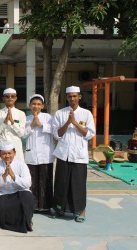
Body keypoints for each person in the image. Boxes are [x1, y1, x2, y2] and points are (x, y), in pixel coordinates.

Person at [51, 86, 95, 223]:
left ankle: (80, 211)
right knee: (61, 183)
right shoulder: (60, 113)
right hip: (64, 154)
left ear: (80, 97)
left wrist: (75, 123)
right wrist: (68, 122)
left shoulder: (86, 114)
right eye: (69, 96)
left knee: (78, 184)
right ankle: (60, 208)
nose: (72, 98)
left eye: (75, 96)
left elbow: (90, 134)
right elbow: (56, 134)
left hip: (79, 156)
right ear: (66, 98)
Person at [0, 142, 35, 233]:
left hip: (19, 193)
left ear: (14, 153)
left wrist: (13, 175)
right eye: (4, 153)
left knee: (28, 198)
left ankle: (26, 221)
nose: (7, 156)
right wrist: (4, 176)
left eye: (9, 153)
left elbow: (28, 183)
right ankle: (22, 222)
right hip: (3, 194)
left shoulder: (21, 165)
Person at [22, 94, 54, 212]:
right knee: (33, 181)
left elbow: (55, 131)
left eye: (38, 104)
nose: (36, 106)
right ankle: (34, 205)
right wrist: (32, 124)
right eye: (33, 104)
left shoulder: (48, 117)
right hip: (31, 154)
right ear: (30, 105)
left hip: (45, 154)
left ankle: (46, 206)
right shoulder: (26, 118)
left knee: (45, 181)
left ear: (42, 106)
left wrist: (41, 125)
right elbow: (23, 135)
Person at [0, 88, 26, 162]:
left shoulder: (21, 114)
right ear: (3, 98)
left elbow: (21, 134)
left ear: (16, 98)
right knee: (0, 169)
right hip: (2, 144)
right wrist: (5, 122)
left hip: (15, 145)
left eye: (12, 96)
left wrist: (12, 122)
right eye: (7, 96)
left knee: (17, 170)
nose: (10, 98)